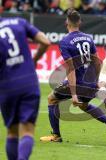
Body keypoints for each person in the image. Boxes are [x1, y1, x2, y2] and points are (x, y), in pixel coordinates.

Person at [40, 8, 106, 144]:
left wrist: (73, 95)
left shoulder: (65, 42)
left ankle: (56, 136)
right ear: (80, 22)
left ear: (67, 23)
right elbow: (97, 62)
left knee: (52, 99)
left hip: (77, 83)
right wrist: (95, 82)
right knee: (83, 105)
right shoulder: (88, 38)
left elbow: (71, 69)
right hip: (89, 81)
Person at [0, 17, 50, 160]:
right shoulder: (19, 22)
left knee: (12, 132)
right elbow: (45, 42)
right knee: (27, 130)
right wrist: (34, 60)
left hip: (7, 86)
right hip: (29, 82)